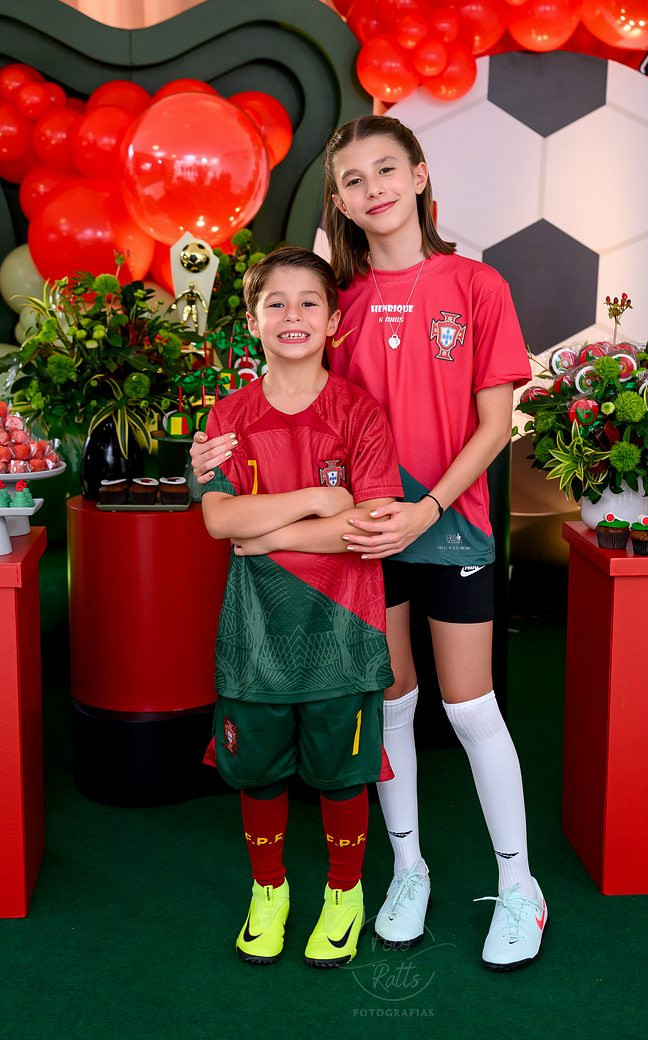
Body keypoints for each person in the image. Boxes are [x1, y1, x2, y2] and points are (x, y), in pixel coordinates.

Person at [192, 115, 546, 971]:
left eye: (387, 170)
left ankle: (520, 887)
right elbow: (298, 407)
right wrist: (217, 463)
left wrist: (429, 508)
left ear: (419, 176)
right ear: (339, 203)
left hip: (449, 526)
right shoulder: (333, 301)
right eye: (352, 180)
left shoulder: (477, 284)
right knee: (387, 705)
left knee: (470, 708)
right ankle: (408, 872)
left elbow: (495, 425)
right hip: (360, 540)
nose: (372, 189)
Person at [200, 245, 403, 969]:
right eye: (275, 303)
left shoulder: (359, 412)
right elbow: (220, 520)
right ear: (253, 321)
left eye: (309, 302)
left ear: (334, 321)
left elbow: (369, 524)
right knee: (258, 770)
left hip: (343, 627)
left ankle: (344, 894)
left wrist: (269, 532)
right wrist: (320, 498)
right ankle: (270, 891)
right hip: (254, 633)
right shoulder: (230, 414)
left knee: (343, 774)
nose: (293, 315)